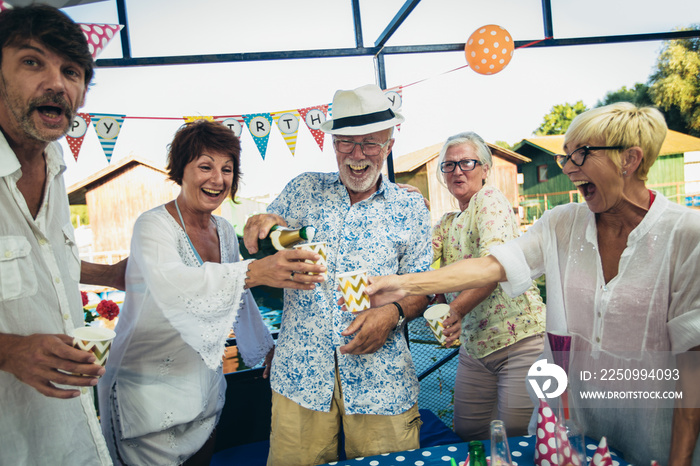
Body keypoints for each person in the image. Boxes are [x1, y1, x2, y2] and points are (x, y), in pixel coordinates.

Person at [365, 103, 700, 465]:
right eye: (566, 156)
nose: (569, 167)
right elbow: (491, 266)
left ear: (630, 159)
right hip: (573, 434)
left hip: (652, 438)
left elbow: (693, 373)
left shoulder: (686, 236)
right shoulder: (562, 223)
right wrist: (403, 283)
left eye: (581, 154)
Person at [97, 120, 326, 466]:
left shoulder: (221, 228)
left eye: (227, 169)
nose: (217, 179)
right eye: (205, 166)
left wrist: (265, 349)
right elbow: (171, 286)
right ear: (180, 171)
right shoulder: (152, 225)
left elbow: (240, 296)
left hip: (202, 389)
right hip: (146, 397)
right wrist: (258, 269)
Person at [243, 83, 433, 465]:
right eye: (346, 142)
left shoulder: (409, 207)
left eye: (370, 143)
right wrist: (262, 222)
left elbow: (422, 289)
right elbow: (261, 238)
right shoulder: (303, 189)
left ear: (389, 146)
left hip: (382, 381)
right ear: (332, 144)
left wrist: (391, 314)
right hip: (300, 378)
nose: (357, 155)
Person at [0, 6, 125, 465]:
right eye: (32, 62)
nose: (56, 83)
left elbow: (35, 261)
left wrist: (108, 274)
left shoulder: (57, 170)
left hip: (74, 439)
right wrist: (8, 350)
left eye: (70, 71)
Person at [431, 131, 545, 440]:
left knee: (517, 436)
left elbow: (494, 267)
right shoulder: (446, 222)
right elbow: (426, 272)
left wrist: (453, 310)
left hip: (520, 341)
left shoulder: (489, 199)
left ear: (485, 168)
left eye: (467, 162)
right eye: (449, 165)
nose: (457, 171)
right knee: (470, 434)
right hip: (475, 348)